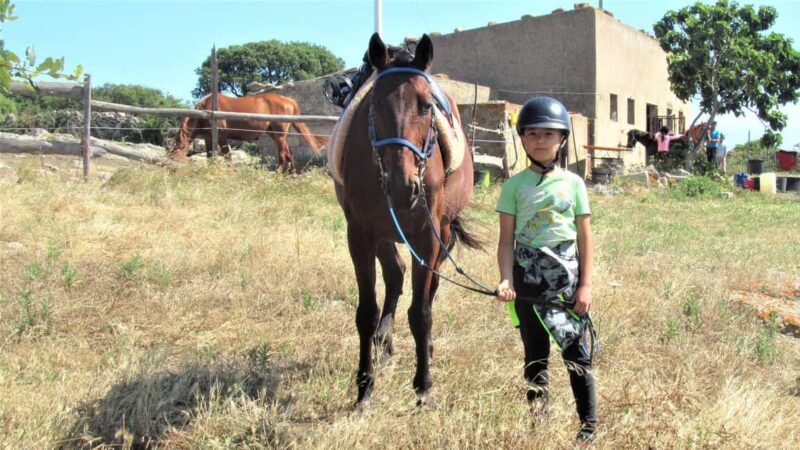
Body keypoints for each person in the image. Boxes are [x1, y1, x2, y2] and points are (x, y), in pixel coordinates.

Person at [495, 96, 597, 443]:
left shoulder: (574, 184)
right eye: (533, 133)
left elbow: (585, 239)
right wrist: (506, 279)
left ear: (562, 139)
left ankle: (588, 427)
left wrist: (585, 286)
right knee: (535, 357)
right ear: (522, 138)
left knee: (577, 356)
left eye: (548, 134)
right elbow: (506, 240)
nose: (540, 140)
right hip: (527, 285)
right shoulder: (513, 187)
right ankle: (539, 425)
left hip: (566, 285)